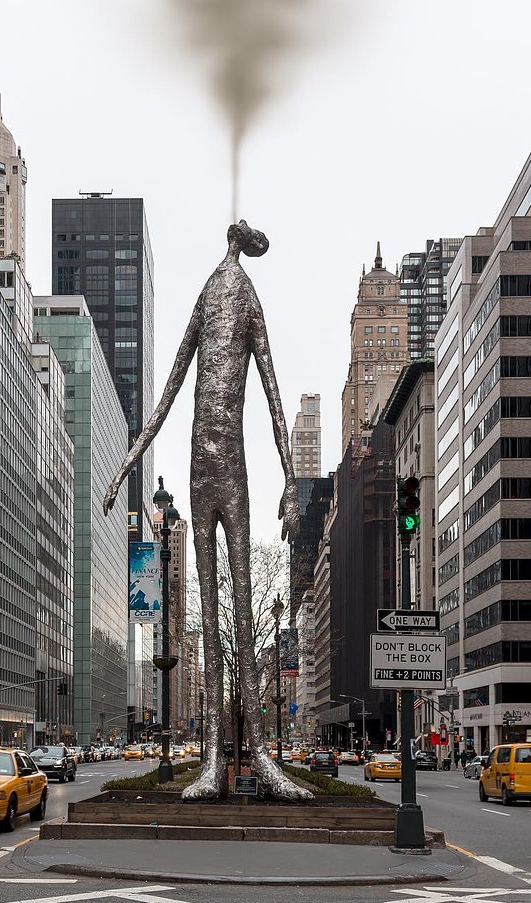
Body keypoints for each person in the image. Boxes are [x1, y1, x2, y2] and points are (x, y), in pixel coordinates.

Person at [103, 221, 309, 802]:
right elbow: (167, 395)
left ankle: (259, 755)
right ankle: (214, 755)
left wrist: (292, 486)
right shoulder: (212, 294)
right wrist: (124, 470)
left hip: (231, 474)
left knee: (242, 613)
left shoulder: (245, 299)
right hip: (201, 474)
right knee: (216, 616)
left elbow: (272, 396)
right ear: (238, 242)